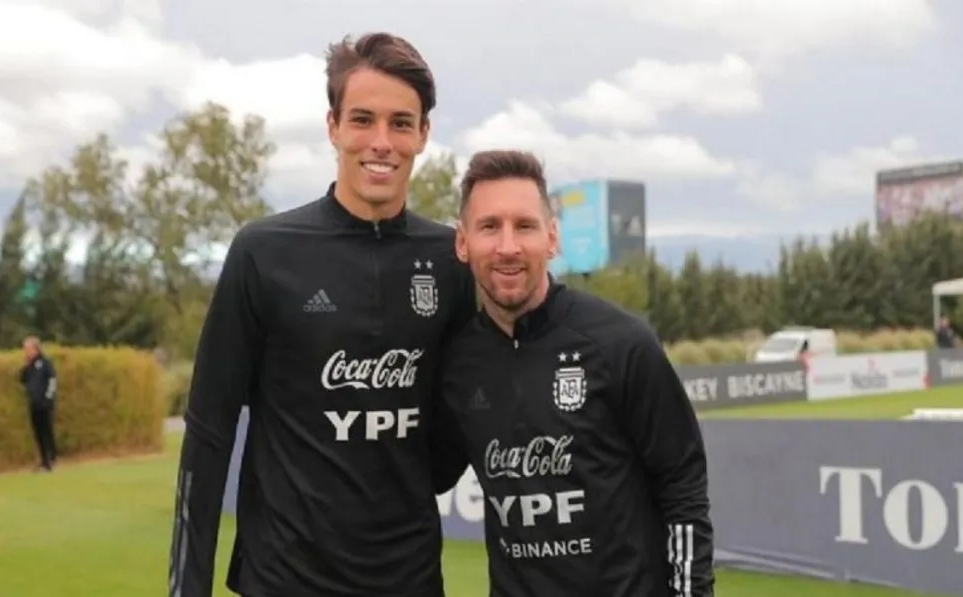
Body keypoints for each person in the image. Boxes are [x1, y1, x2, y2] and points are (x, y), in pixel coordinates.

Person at [167, 32, 476, 597]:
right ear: (333, 126)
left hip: (409, 581)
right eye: (363, 119)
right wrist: (188, 587)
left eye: (401, 123)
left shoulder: (451, 261)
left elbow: (467, 410)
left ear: (424, 135)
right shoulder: (264, 251)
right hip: (283, 578)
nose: (381, 142)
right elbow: (209, 431)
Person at [436, 150, 715, 596]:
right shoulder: (456, 363)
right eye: (489, 227)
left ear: (552, 238)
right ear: (462, 243)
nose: (508, 246)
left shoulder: (621, 343)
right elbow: (424, 472)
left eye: (524, 226)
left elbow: (682, 487)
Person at [20, 335, 58, 471]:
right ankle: (43, 460)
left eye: (28, 349)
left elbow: (52, 380)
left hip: (45, 403)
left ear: (35, 349)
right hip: (34, 403)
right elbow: (23, 380)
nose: (26, 351)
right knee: (38, 432)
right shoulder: (29, 366)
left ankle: (51, 459)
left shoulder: (45, 363)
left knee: (47, 431)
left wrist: (48, 397)